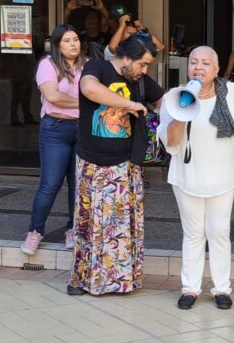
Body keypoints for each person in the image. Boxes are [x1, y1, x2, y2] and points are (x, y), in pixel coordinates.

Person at [157, 46, 234, 310]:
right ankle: (190, 289)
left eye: (204, 63)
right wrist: (181, 110)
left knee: (219, 232)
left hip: (222, 176)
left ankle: (222, 289)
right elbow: (169, 140)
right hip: (188, 176)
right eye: (193, 63)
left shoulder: (230, 93)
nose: (198, 67)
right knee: (193, 233)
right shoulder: (174, 97)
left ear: (215, 68)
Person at [67, 35, 164, 296]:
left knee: (121, 227)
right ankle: (83, 280)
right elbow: (89, 89)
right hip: (91, 162)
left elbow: (163, 100)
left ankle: (121, 281)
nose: (145, 70)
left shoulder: (140, 80)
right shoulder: (97, 67)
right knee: (90, 224)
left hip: (126, 165)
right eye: (143, 64)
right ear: (128, 58)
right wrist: (130, 104)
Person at [22, 25, 85, 255]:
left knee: (77, 185)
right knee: (50, 184)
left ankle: (72, 229)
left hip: (82, 130)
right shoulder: (47, 64)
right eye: (67, 40)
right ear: (58, 44)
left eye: (76, 39)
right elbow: (53, 96)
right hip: (55, 129)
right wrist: (86, 102)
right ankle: (35, 231)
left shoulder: (85, 65)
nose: (73, 44)